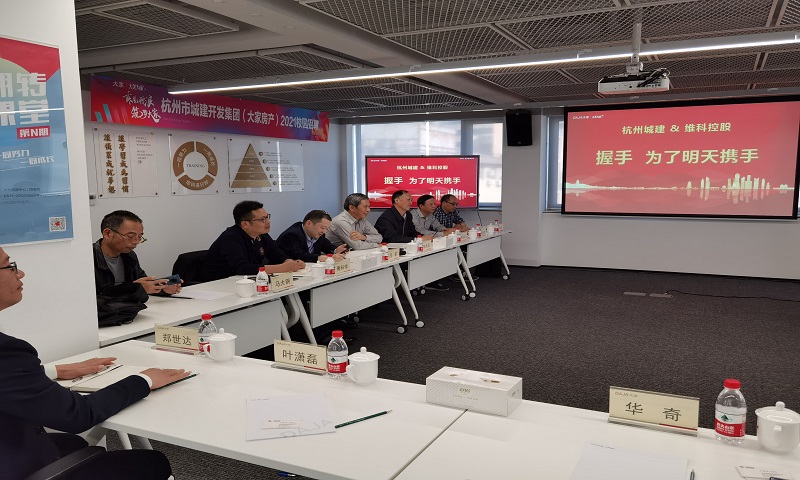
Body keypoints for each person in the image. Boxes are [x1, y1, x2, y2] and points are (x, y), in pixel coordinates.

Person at [0, 246, 190, 480]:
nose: (20, 273)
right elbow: (78, 415)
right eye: (10, 266)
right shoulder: (7, 351)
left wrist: (54, 370)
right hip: (15, 465)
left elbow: (8, 379)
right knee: (152, 462)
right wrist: (144, 379)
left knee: (75, 444)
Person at [202, 200, 305, 282]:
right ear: (245, 224)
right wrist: (282, 268)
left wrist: (290, 262)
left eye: (267, 217)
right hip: (219, 284)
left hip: (246, 281)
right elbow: (241, 268)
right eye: (263, 219)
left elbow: (277, 255)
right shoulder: (231, 238)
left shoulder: (262, 235)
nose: (268, 221)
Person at [94, 210, 182, 296]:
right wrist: (132, 288)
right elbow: (94, 297)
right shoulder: (90, 258)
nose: (136, 242)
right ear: (107, 234)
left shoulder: (129, 255)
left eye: (139, 237)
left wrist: (162, 288)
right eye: (130, 236)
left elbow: (143, 284)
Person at [276, 210, 348, 263]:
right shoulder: (291, 235)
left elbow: (327, 246)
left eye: (327, 229)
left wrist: (336, 250)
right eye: (322, 228)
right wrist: (327, 258)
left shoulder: (318, 233)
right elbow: (300, 256)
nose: (324, 231)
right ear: (308, 223)